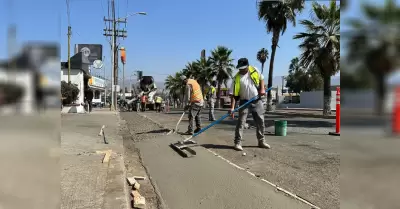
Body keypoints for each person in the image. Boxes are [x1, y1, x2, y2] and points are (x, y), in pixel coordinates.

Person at [229, 58, 271, 151]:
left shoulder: (254, 70)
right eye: (240, 68)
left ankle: (261, 141)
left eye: (243, 68)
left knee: (260, 122)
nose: (241, 70)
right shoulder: (236, 78)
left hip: (257, 100)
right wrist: (232, 108)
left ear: (247, 66)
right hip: (244, 102)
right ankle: (237, 143)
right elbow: (233, 94)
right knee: (241, 123)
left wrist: (262, 89)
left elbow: (262, 78)